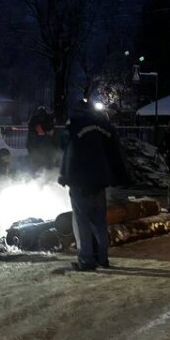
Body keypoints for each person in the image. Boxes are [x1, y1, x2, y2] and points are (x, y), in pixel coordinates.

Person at [59, 100, 131, 271]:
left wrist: (64, 176)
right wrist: (120, 176)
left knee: (82, 222)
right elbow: (116, 151)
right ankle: (103, 259)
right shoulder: (104, 127)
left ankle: (86, 260)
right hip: (100, 182)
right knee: (99, 222)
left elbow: (68, 151)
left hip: (80, 182)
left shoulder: (75, 126)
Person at [26, 106, 60, 173]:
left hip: (37, 146)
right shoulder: (43, 121)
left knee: (40, 164)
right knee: (43, 164)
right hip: (42, 146)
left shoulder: (34, 120)